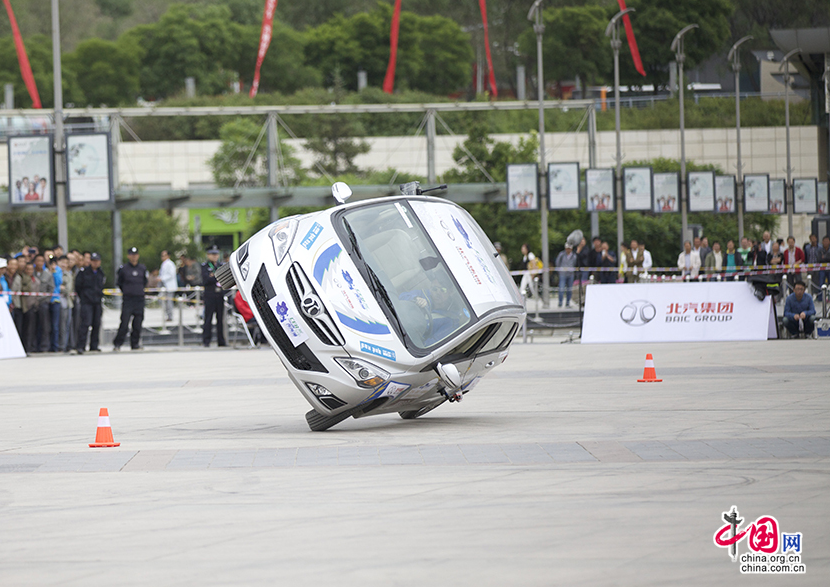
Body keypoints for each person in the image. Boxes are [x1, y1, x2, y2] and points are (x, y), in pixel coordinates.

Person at [113, 246, 148, 351]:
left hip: (139, 299)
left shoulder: (142, 268)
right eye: (132, 255)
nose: (134, 257)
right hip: (128, 300)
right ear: (128, 256)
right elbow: (119, 283)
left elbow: (144, 282)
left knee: (138, 323)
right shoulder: (124, 269)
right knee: (124, 323)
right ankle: (118, 343)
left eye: (135, 255)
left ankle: (135, 344)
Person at [75, 252, 106, 354]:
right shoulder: (83, 272)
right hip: (87, 302)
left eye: (97, 261)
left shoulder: (101, 273)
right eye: (93, 261)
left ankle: (94, 345)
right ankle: (81, 346)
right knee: (85, 323)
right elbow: (78, 287)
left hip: (97, 302)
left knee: (96, 324)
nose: (95, 263)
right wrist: (84, 297)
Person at [201, 246, 227, 348]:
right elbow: (205, 280)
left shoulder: (220, 266)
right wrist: (216, 278)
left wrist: (214, 276)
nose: (215, 256)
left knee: (220, 319)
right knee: (208, 319)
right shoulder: (205, 266)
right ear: (208, 255)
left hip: (219, 294)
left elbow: (224, 278)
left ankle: (221, 341)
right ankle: (206, 340)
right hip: (210, 295)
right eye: (213, 254)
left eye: (216, 254)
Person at [32, 254, 53, 352]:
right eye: (37, 261)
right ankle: (33, 346)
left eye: (41, 261)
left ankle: (44, 346)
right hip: (32, 302)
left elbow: (51, 289)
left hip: (43, 302)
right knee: (33, 325)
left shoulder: (48, 275)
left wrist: (45, 300)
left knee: (45, 326)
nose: (39, 263)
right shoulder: (31, 273)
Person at [555, 243, 577, 307]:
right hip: (563, 273)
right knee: (561, 288)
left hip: (570, 274)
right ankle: (560, 302)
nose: (568, 250)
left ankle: (568, 302)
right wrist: (559, 270)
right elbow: (557, 263)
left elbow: (574, 264)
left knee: (569, 289)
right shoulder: (561, 255)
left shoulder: (574, 256)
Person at [159, 250, 178, 321]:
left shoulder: (170, 264)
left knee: (169, 301)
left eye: (164, 255)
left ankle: (170, 316)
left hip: (169, 286)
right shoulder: (164, 264)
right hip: (164, 286)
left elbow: (171, 274)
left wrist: (162, 278)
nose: (162, 257)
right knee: (162, 300)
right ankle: (168, 314)